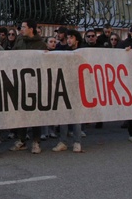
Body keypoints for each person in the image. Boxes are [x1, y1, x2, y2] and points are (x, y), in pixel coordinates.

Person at [11, 19, 48, 154]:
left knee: (34, 114)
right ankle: (21, 140)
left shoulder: (40, 44)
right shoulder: (19, 41)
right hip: (20, 81)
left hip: (34, 83)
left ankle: (36, 141)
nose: (21, 29)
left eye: (24, 27)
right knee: (21, 112)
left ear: (31, 29)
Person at [52, 29, 83, 153]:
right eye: (68, 37)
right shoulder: (61, 49)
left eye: (71, 38)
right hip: (63, 85)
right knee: (63, 115)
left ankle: (77, 142)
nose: (69, 40)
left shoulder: (83, 51)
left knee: (76, 116)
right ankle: (63, 141)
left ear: (77, 39)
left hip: (77, 86)